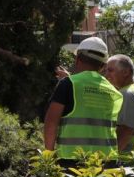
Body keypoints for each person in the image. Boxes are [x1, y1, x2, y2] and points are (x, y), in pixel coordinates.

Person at [43, 37, 123, 166]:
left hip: (72, 161)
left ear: (77, 59)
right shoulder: (115, 92)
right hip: (107, 162)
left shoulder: (68, 84)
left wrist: (48, 156)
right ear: (103, 66)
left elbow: (51, 122)